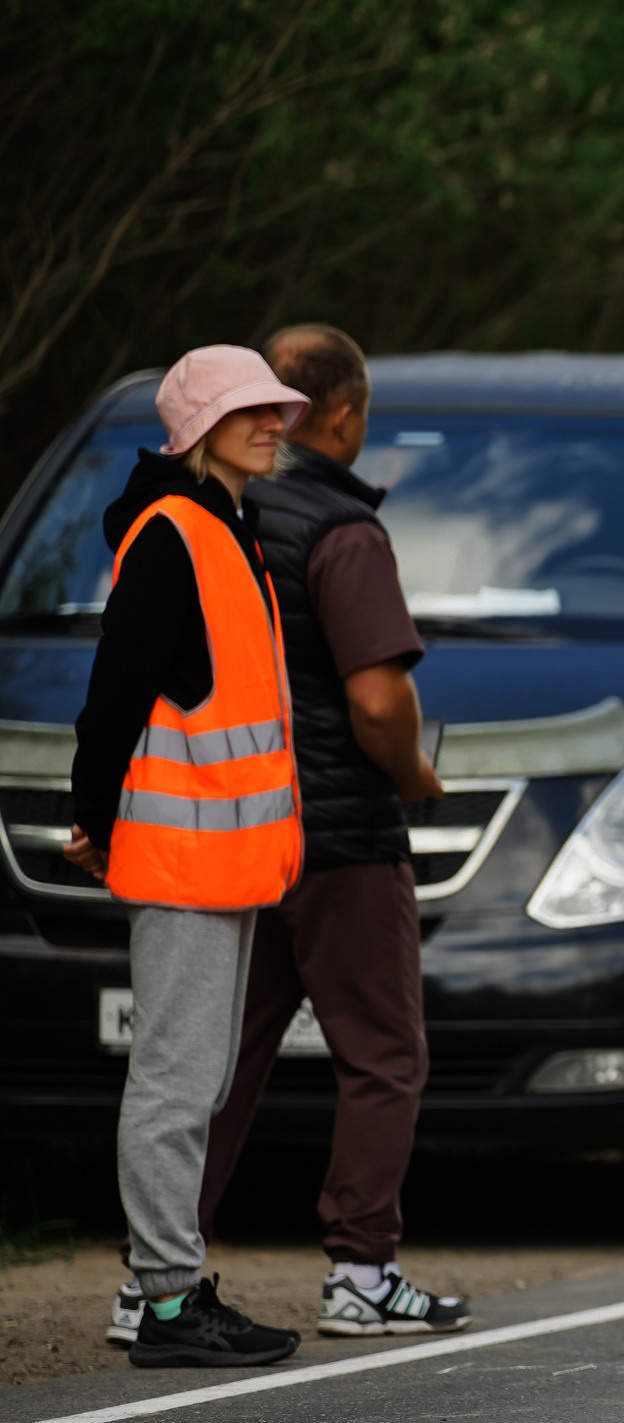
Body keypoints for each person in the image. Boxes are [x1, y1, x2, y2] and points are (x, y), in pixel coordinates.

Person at [112, 326, 465, 1346]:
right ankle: (362, 1271)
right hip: (342, 835)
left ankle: (156, 1275)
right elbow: (377, 699)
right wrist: (415, 776)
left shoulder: (219, 515)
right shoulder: (342, 529)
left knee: (218, 1061)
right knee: (383, 1054)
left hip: (236, 833)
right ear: (343, 415)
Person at [64, 346, 312, 1367]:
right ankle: (165, 1304)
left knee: (194, 1080)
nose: (272, 423)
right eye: (248, 410)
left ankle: (170, 1288)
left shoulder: (225, 526)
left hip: (223, 860)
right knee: (175, 1082)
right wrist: (95, 815)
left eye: (275, 407)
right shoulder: (174, 533)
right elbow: (115, 692)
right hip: (181, 858)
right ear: (198, 429)